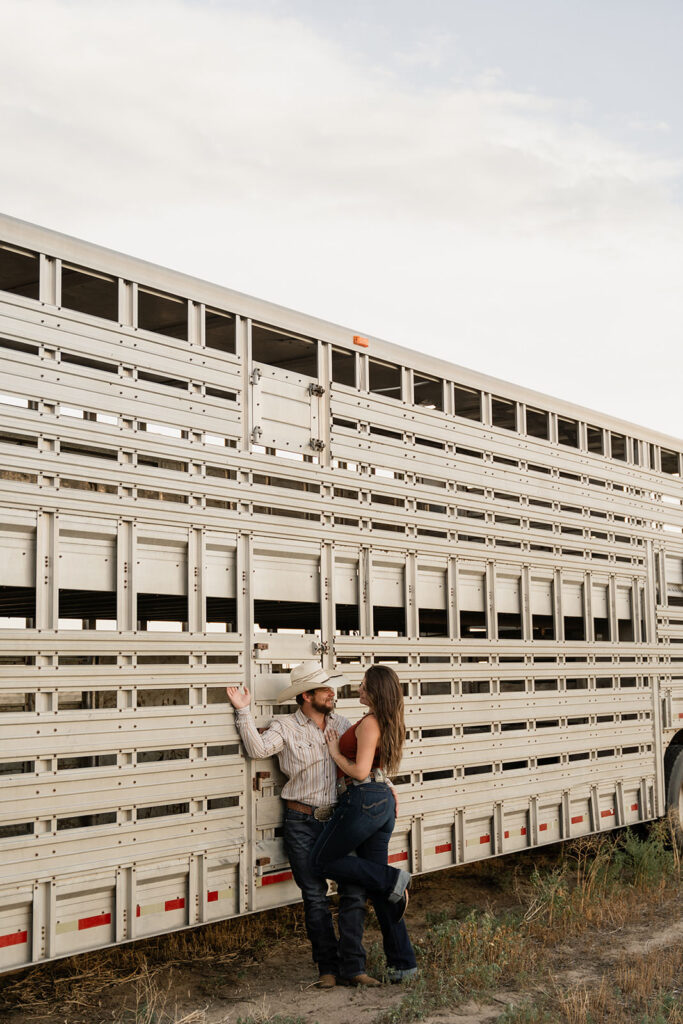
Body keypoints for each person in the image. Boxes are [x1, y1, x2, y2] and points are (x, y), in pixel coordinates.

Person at [226, 661, 415, 988]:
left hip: (341, 818)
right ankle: (327, 969)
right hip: (301, 819)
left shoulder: (344, 724)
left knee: (353, 893)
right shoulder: (284, 726)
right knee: (314, 896)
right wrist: (244, 711)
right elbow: (257, 749)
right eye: (326, 689)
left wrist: (385, 788)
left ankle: (354, 969)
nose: (334, 693)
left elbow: (366, 761)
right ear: (306, 696)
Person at [309, 665, 415, 978]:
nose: (359, 689)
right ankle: (404, 964)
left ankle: (392, 879)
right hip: (379, 802)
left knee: (319, 861)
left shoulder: (370, 723)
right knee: (383, 895)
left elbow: (359, 771)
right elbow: (378, 772)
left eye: (364, 685)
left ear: (376, 691)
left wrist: (333, 752)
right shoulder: (389, 720)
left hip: (363, 800)